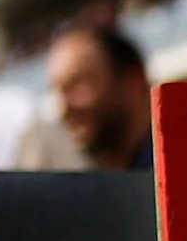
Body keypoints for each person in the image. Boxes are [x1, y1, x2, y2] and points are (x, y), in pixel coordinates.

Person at [26, 22, 154, 172]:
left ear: (133, 81)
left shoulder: (183, 166)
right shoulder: (95, 187)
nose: (64, 109)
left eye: (77, 86)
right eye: (59, 91)